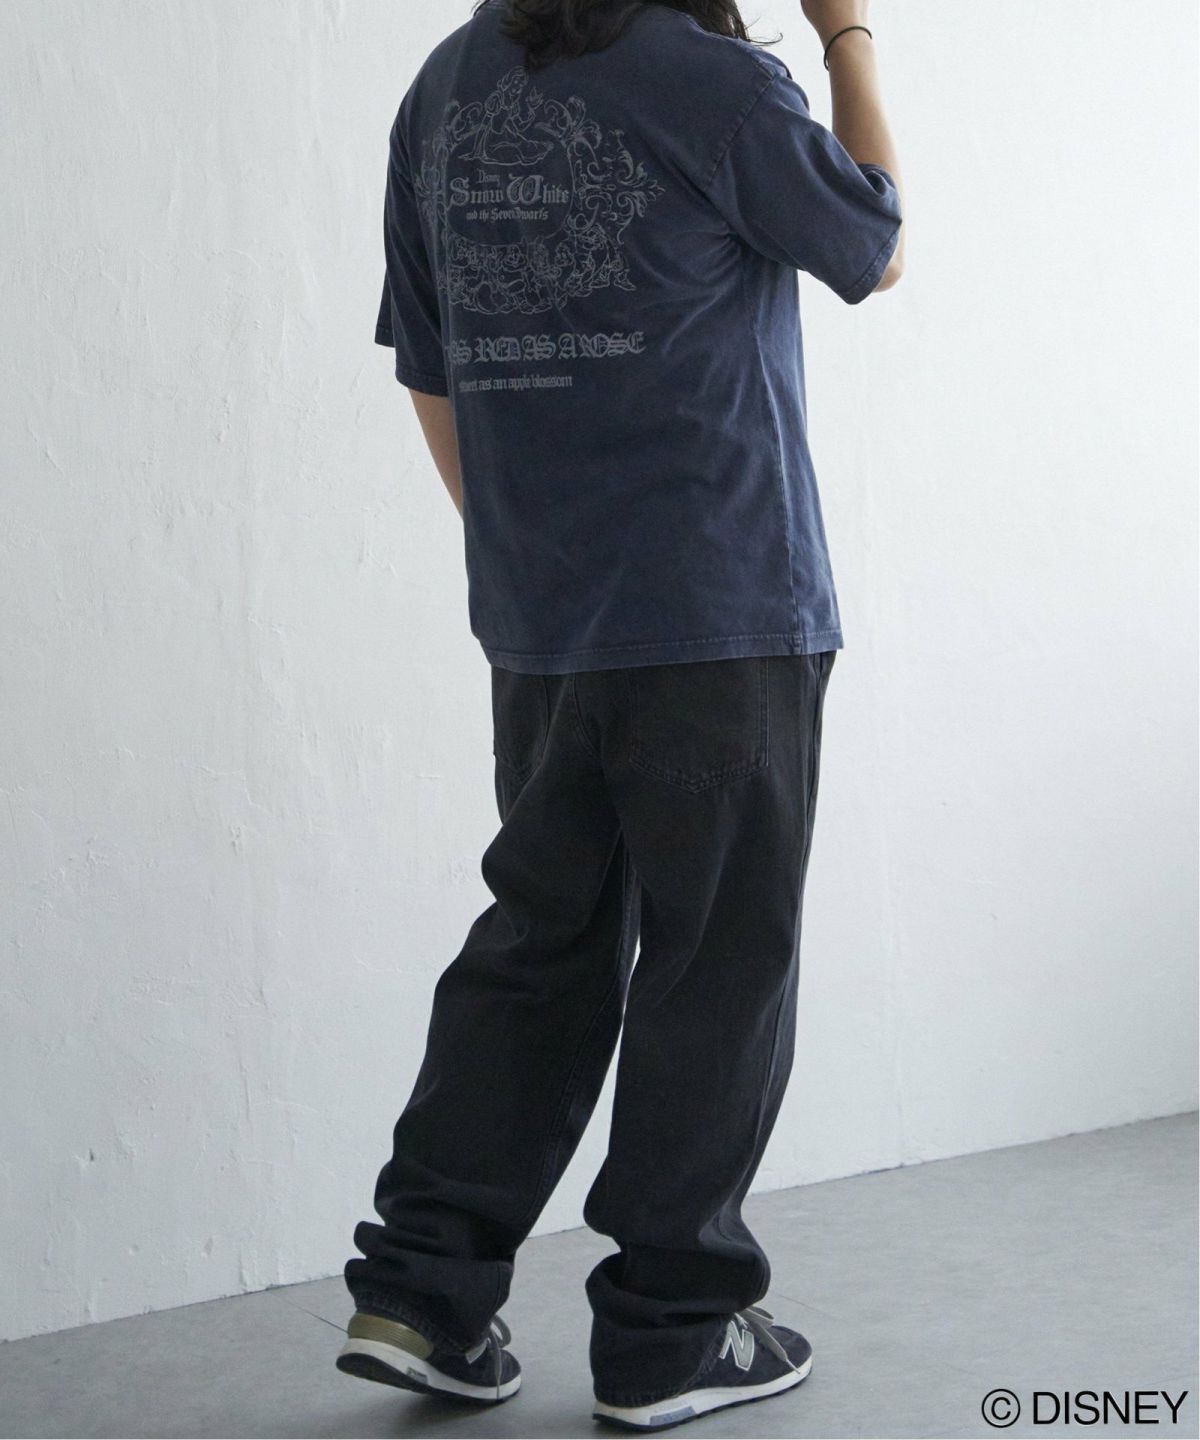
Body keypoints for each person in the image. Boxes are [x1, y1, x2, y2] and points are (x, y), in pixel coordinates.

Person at [339, 0, 904, 1428]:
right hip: (720, 605)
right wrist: (847, 32)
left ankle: (421, 1290)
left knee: (542, 945)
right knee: (717, 959)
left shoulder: (446, 88)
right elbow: (875, 242)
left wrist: (530, 555)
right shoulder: (715, 83)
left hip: (547, 620)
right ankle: (671, 1331)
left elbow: (431, 362)